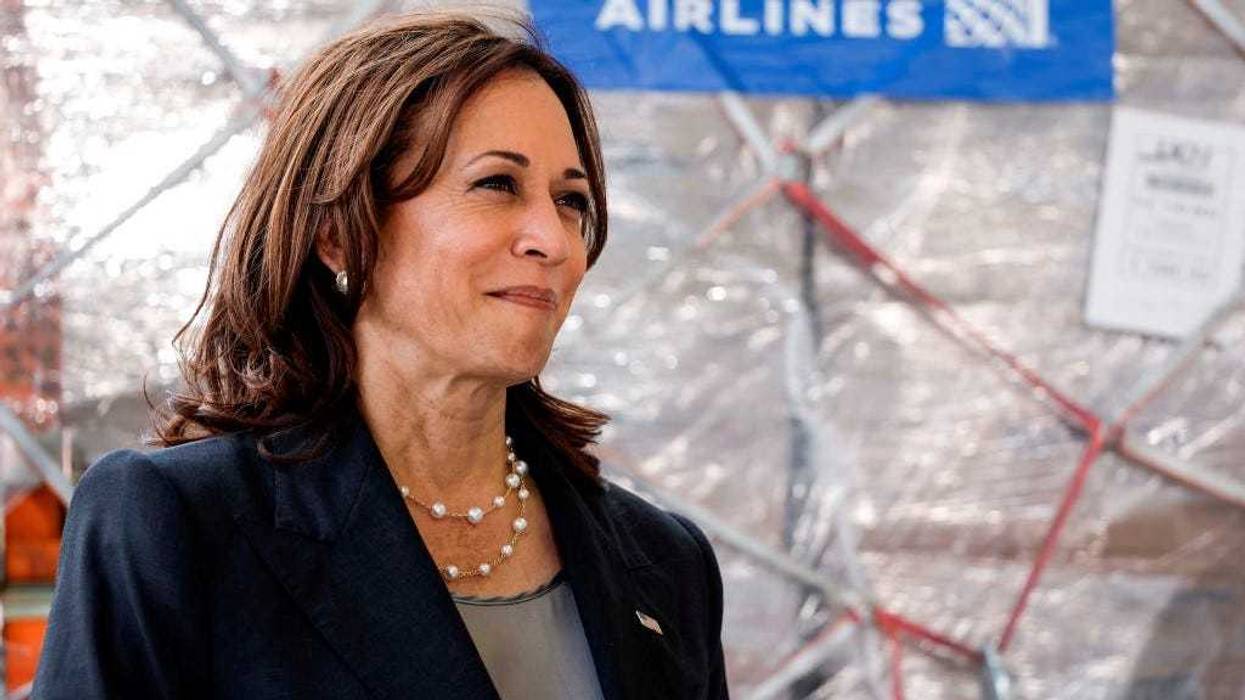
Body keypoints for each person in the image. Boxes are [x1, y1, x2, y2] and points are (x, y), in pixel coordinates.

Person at [32, 11, 728, 699]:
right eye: (496, 185)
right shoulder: (178, 522)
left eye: (571, 200)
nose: (552, 239)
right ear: (338, 232)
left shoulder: (664, 562)